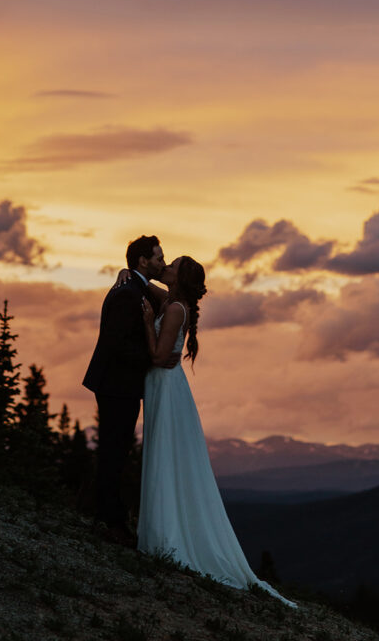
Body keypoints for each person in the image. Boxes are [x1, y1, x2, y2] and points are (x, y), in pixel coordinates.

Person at [137, 255, 297, 606]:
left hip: (165, 386)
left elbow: (158, 355)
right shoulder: (175, 302)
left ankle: (166, 540)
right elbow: (148, 287)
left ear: (179, 279)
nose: (166, 267)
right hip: (167, 387)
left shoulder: (174, 308)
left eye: (172, 266)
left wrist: (149, 323)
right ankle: (162, 535)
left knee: (165, 457)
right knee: (166, 457)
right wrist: (131, 275)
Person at [82, 234, 167, 545]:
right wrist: (154, 358)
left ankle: (110, 516)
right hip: (117, 384)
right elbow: (116, 345)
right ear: (143, 260)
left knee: (116, 451)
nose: (163, 262)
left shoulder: (135, 287)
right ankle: (108, 520)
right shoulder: (126, 295)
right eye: (159, 257)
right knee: (113, 452)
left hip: (122, 385)